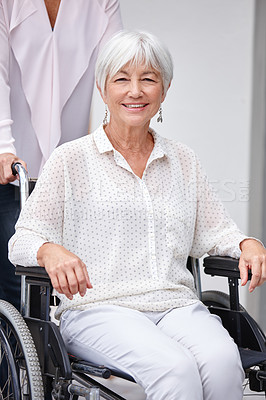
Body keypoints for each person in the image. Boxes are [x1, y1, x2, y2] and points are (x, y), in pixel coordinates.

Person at [9, 31, 266, 400]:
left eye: (148, 78)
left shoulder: (183, 160)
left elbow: (216, 232)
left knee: (224, 363)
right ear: (102, 88)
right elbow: (23, 239)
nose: (135, 91)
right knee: (174, 370)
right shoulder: (70, 160)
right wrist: (50, 250)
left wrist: (247, 243)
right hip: (99, 309)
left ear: (165, 89)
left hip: (176, 305)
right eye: (122, 79)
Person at [0, 0, 122, 311]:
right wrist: (3, 146)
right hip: (10, 163)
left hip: (67, 169)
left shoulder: (101, 4)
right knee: (16, 286)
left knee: (68, 285)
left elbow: (116, 71)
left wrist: (118, 144)